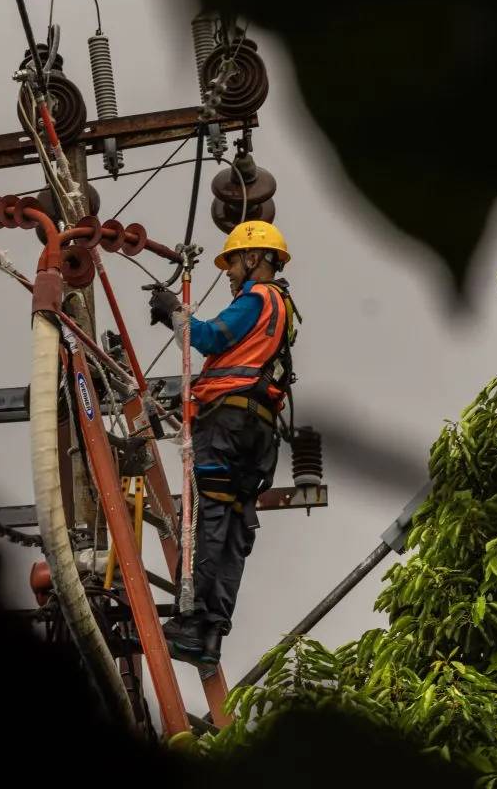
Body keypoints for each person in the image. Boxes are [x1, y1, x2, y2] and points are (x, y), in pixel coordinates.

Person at [148, 220, 300, 665]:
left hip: (230, 426)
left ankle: (192, 623)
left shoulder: (259, 297)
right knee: (233, 525)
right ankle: (212, 634)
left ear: (254, 258)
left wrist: (173, 309)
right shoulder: (284, 308)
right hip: (257, 433)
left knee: (209, 516)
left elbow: (208, 337)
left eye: (232, 262)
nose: (229, 273)